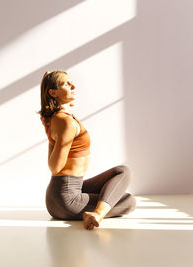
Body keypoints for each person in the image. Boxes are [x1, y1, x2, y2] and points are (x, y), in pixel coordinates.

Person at [39, 70, 136, 230]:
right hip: (66, 199)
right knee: (129, 201)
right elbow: (55, 168)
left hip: (62, 194)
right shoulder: (65, 122)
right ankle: (97, 214)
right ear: (53, 92)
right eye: (66, 83)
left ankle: (97, 211)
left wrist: (51, 137)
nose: (73, 86)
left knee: (121, 171)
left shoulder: (60, 118)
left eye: (71, 82)